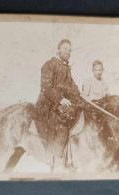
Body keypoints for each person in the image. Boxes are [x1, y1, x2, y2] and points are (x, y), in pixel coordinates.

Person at [35, 39, 85, 168]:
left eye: (69, 50)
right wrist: (60, 99)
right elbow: (46, 87)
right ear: (58, 50)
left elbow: (72, 86)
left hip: (60, 105)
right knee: (62, 128)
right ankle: (57, 161)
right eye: (65, 49)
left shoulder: (66, 68)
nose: (68, 52)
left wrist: (80, 96)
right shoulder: (49, 65)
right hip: (48, 105)